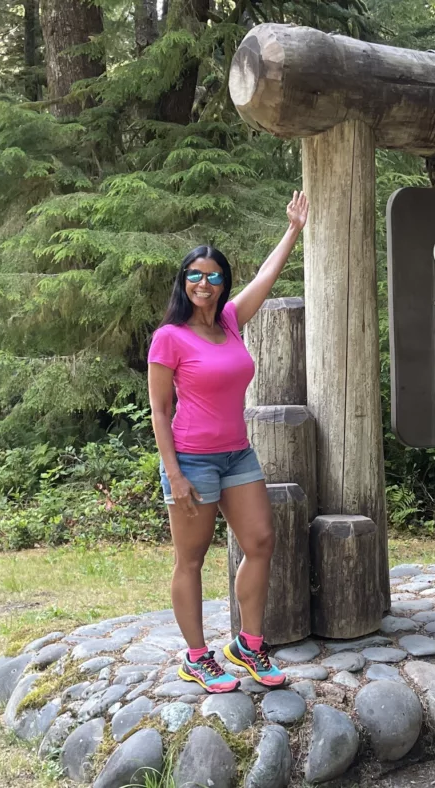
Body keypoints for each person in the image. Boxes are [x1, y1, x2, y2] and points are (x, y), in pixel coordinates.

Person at [147, 191, 309, 693]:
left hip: (238, 454)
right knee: (190, 560)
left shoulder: (232, 323)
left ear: (222, 283)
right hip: (191, 460)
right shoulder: (169, 337)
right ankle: (197, 656)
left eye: (212, 275)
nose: (203, 282)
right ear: (183, 281)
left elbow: (265, 277)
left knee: (260, 542)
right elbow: (160, 409)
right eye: (194, 274)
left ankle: (248, 646)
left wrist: (293, 230)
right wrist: (173, 473)